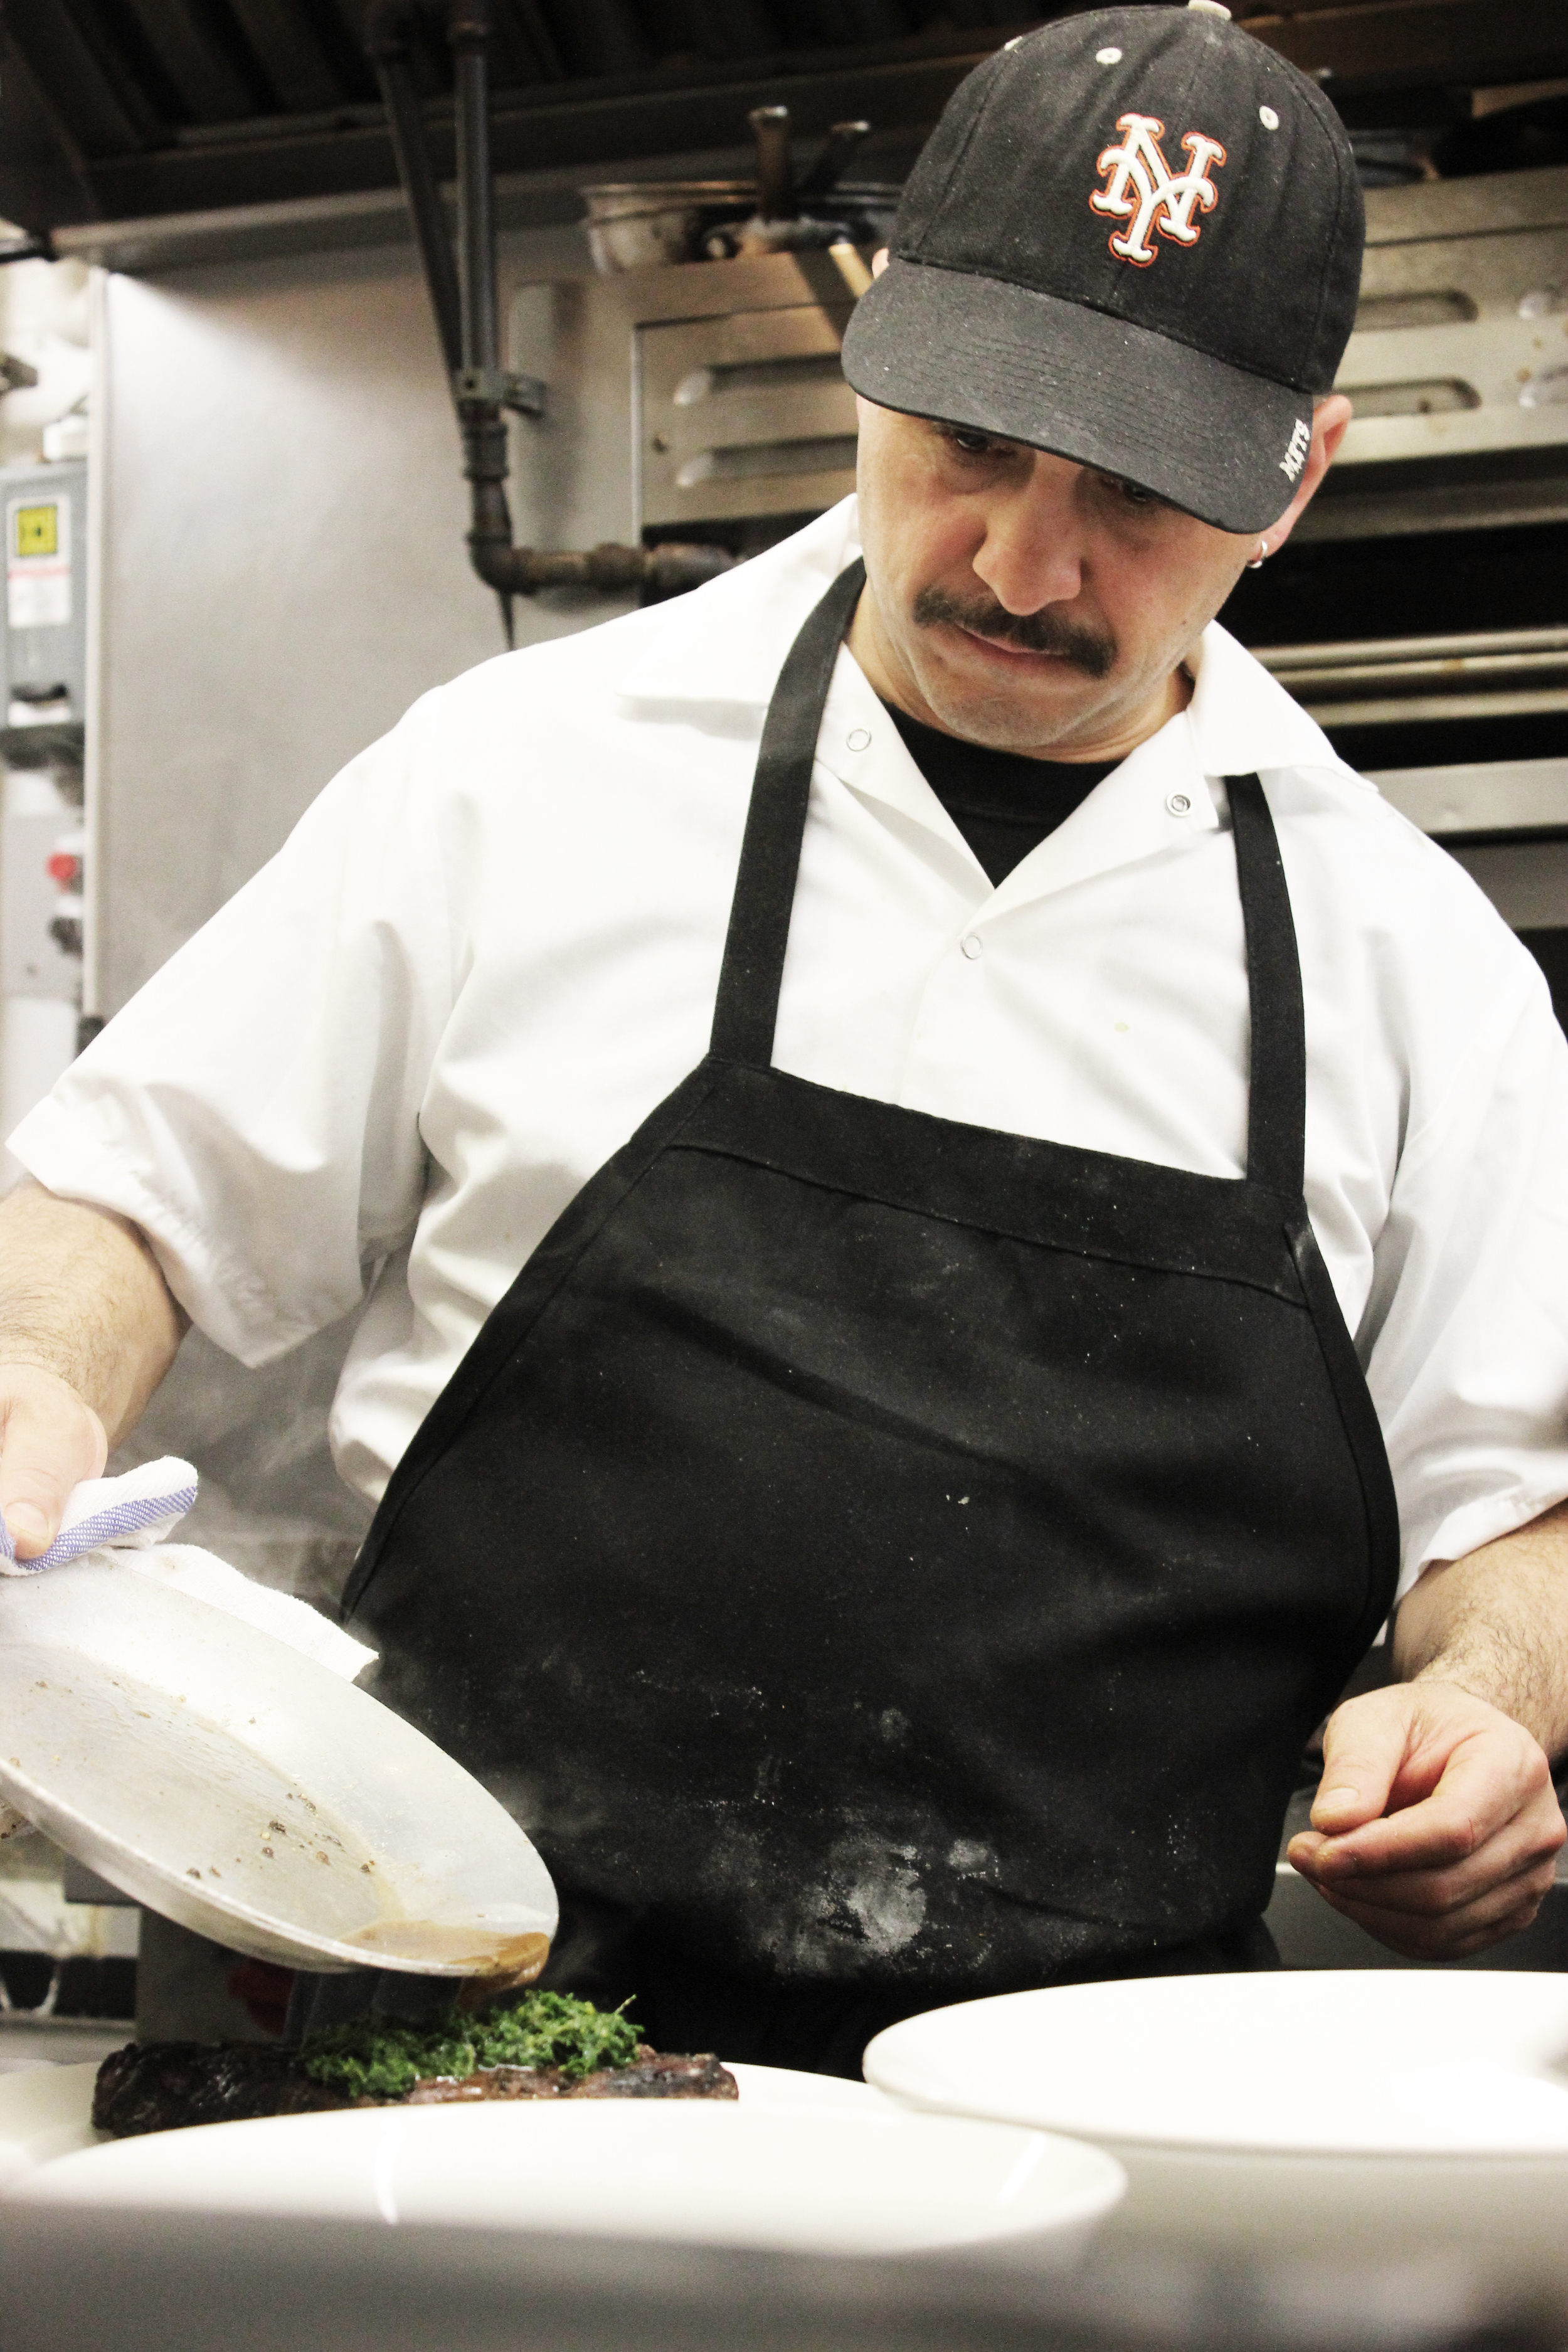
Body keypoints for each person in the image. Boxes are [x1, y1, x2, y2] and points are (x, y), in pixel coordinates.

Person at [1, 3, 1565, 2075]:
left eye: (1137, 496)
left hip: (1101, 2131)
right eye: (972, 445)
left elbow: (1510, 1524)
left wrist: (1481, 1706)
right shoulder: (521, 774)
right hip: (464, 2075)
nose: (1021, 561)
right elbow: (126, 1205)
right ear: (876, 352)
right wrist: (29, 1381)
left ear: (1298, 478)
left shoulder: (1412, 968)